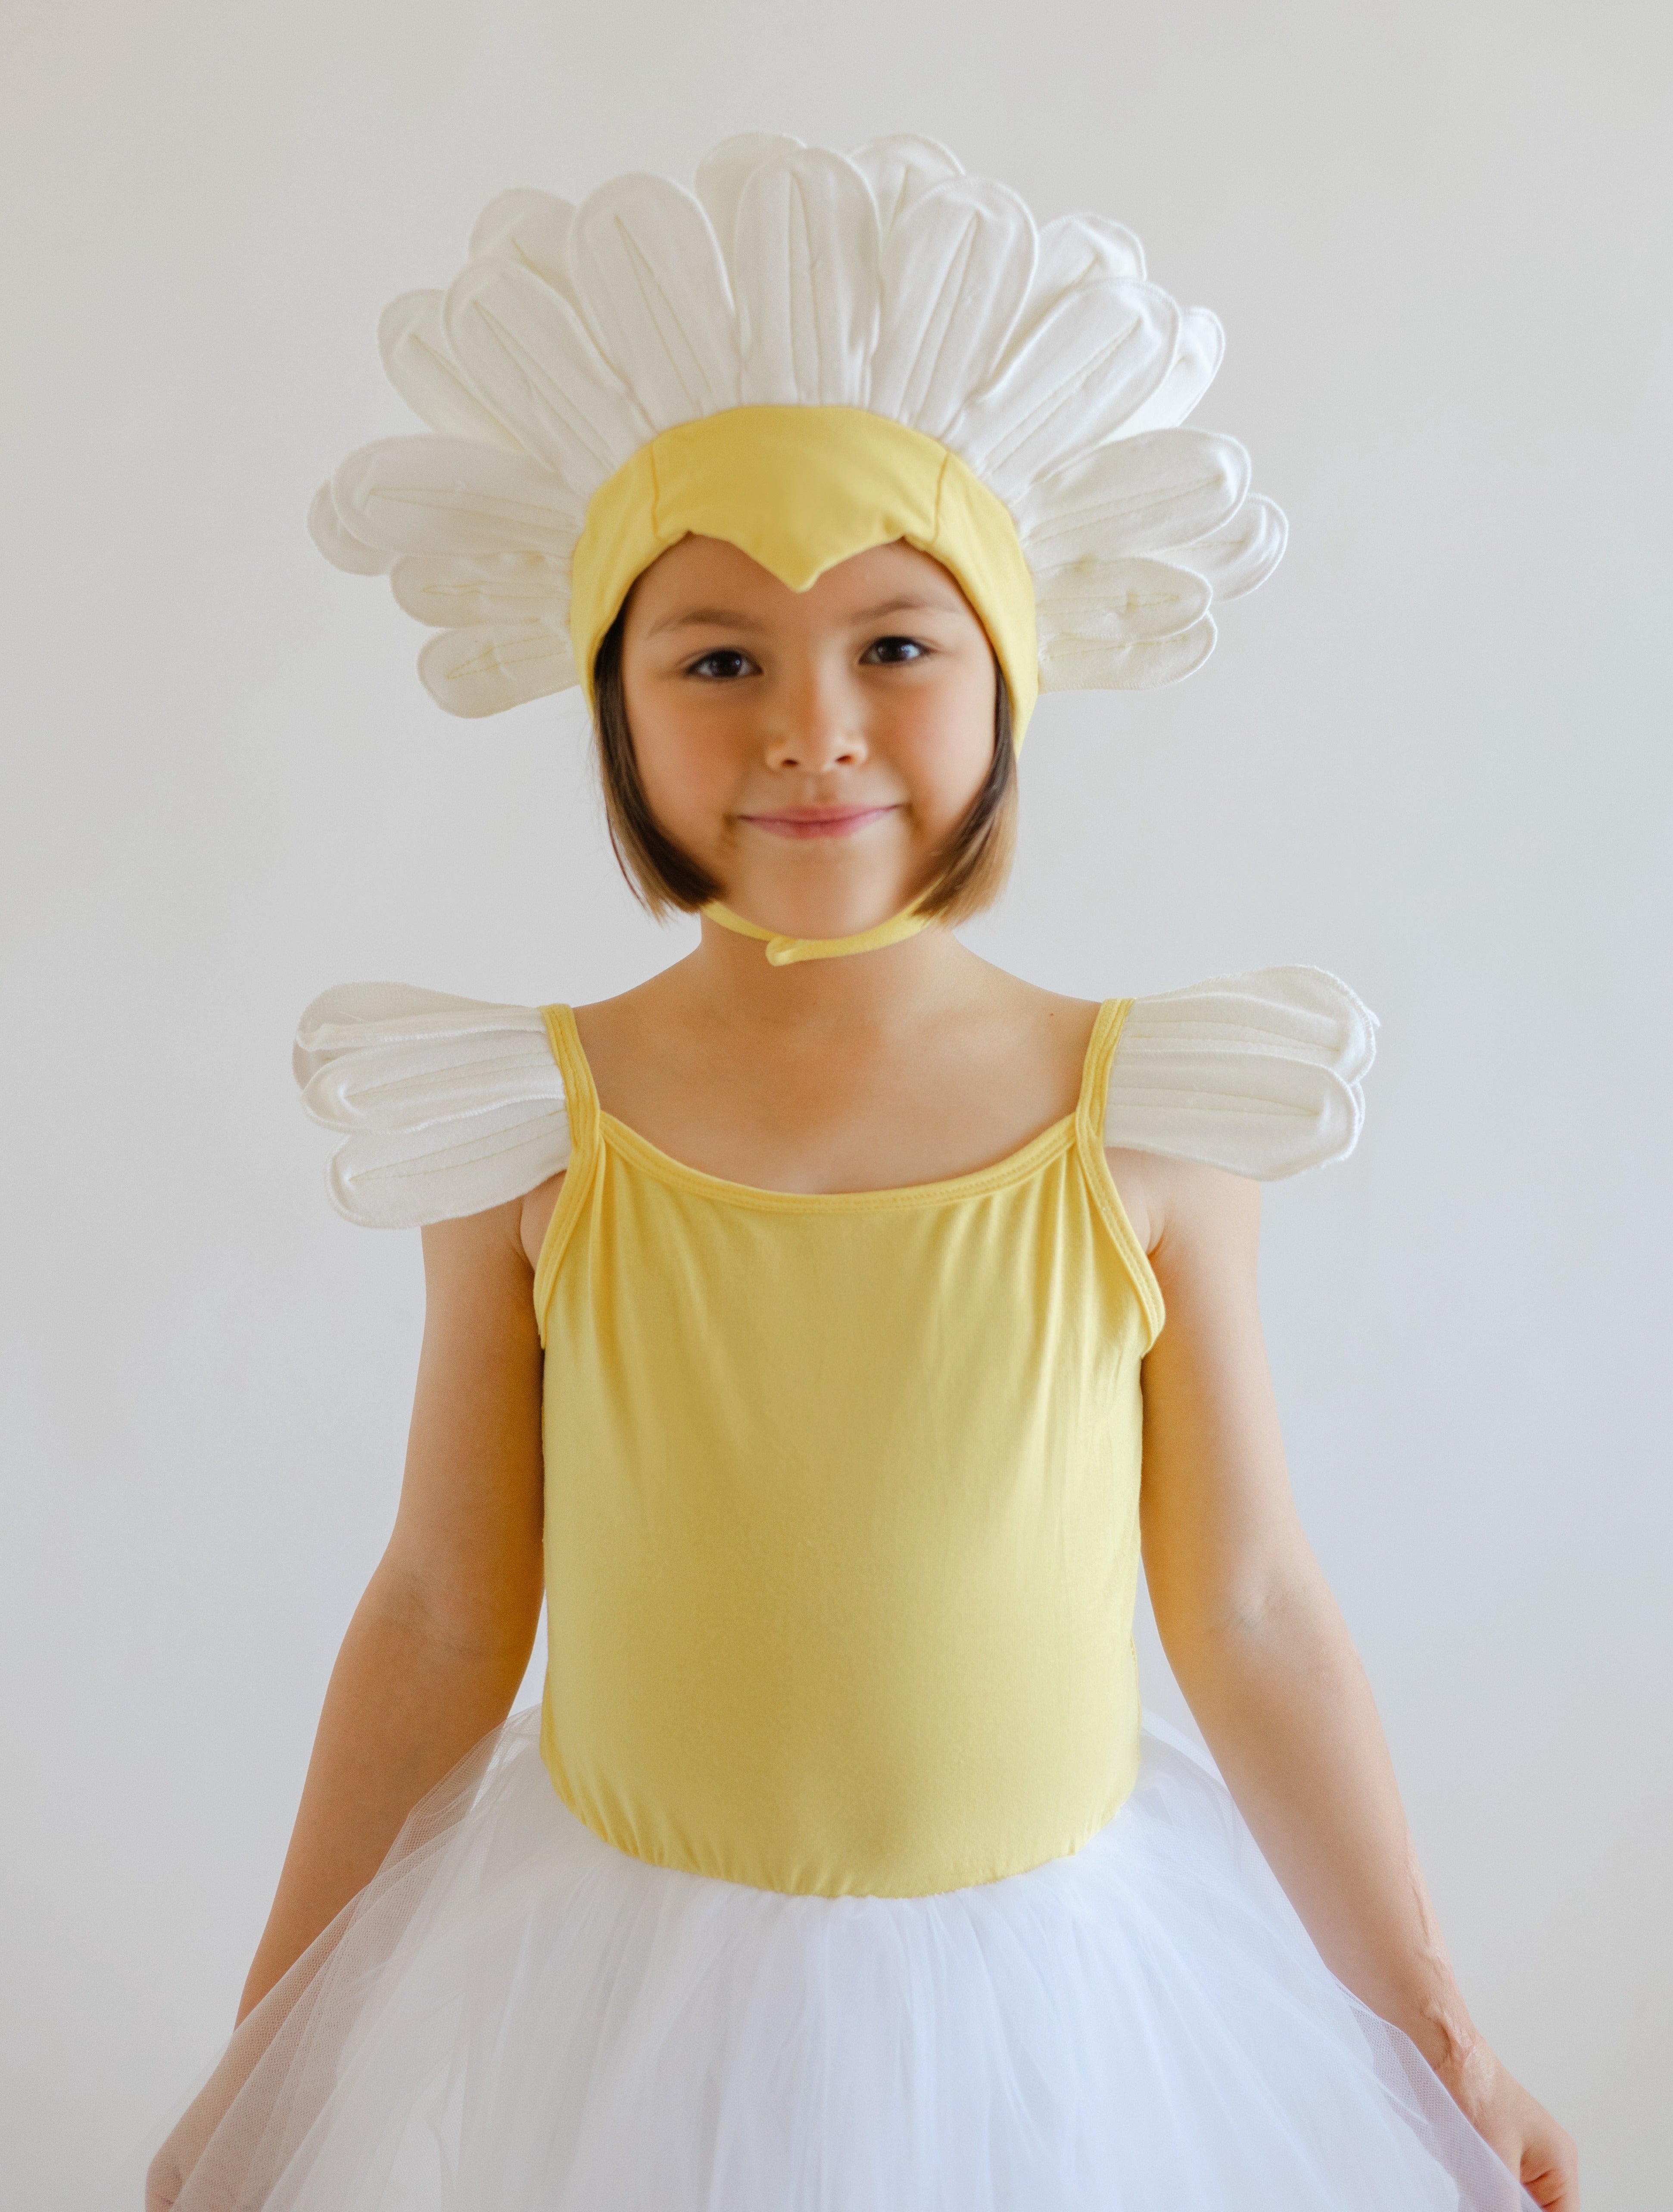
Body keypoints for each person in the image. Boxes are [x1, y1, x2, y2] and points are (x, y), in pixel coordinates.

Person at [146, 134, 1577, 2211]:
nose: (810, 727)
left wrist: (1438, 2026)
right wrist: (257, 2070)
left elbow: (1249, 1604)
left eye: (894, 644)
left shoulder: (1145, 1117)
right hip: (633, 1981)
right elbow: (451, 1609)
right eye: (715, 657)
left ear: (1005, 677)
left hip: (1051, 1989)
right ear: (616, 714)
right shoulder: (536, 1131)